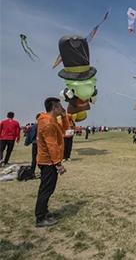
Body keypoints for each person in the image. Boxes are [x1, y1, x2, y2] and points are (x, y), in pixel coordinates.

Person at [35, 97, 68, 227]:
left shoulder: (51, 120)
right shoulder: (48, 123)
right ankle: (40, 217)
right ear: (55, 108)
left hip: (49, 161)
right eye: (60, 107)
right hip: (48, 162)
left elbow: (65, 130)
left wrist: (64, 116)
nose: (62, 108)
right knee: (46, 190)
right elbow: (51, 145)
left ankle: (44, 211)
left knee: (48, 188)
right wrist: (58, 164)